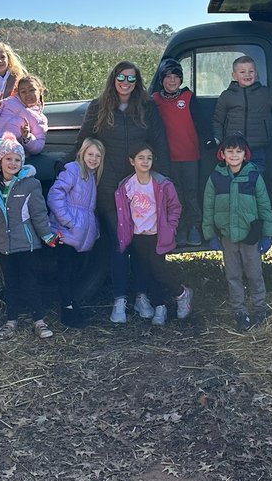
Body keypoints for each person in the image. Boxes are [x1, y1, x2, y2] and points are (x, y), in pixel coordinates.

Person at [73, 61, 170, 323]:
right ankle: (119, 300)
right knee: (120, 240)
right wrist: (68, 170)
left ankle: (140, 296)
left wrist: (164, 183)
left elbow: (159, 143)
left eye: (131, 79)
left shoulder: (147, 108)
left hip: (140, 187)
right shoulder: (98, 107)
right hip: (110, 186)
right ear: (113, 78)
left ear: (137, 82)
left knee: (140, 242)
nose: (125, 83)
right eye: (121, 77)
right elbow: (83, 140)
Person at [0, 135, 59, 339]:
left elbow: (39, 213)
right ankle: (11, 321)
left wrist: (47, 235)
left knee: (30, 282)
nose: (13, 163)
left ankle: (39, 321)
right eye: (8, 158)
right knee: (11, 284)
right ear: (0, 161)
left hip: (27, 244)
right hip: (4, 246)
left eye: (17, 159)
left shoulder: (30, 185)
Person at [202, 134, 272, 331]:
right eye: (230, 151)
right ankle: (240, 312)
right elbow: (208, 208)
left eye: (238, 151)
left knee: (254, 274)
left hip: (250, 236)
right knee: (233, 276)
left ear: (245, 155)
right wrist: (210, 235)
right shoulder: (215, 178)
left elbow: (264, 205)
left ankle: (260, 309)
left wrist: (267, 234)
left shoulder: (253, 176)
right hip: (227, 237)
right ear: (222, 154)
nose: (234, 155)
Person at [115, 143, 192, 325]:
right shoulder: (127, 185)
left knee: (159, 270)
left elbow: (175, 207)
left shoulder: (161, 183)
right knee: (148, 272)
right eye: (141, 158)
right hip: (138, 235)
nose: (145, 161)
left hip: (157, 235)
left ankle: (181, 294)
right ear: (131, 161)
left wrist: (170, 227)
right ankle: (160, 307)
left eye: (149, 158)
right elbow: (123, 212)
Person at [47, 138, 105, 327]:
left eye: (98, 156)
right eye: (90, 154)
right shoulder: (73, 170)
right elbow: (55, 196)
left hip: (79, 234)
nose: (94, 159)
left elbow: (89, 208)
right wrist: (68, 222)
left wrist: (93, 229)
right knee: (65, 271)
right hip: (66, 232)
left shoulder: (92, 177)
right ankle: (67, 310)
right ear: (82, 153)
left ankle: (72, 304)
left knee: (73, 272)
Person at [151, 58, 203, 246]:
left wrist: (208, 141)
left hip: (190, 154)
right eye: (167, 77)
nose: (172, 81)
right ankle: (179, 227)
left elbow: (200, 122)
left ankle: (194, 226)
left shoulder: (188, 97)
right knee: (174, 193)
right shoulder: (156, 100)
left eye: (176, 77)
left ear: (181, 80)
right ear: (161, 80)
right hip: (168, 157)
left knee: (191, 192)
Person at [0, 74, 48, 173]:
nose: (28, 94)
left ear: (40, 90)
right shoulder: (8, 102)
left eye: (32, 90)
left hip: (8, 150)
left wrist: (27, 137)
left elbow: (38, 146)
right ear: (18, 93)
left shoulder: (40, 119)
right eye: (23, 92)